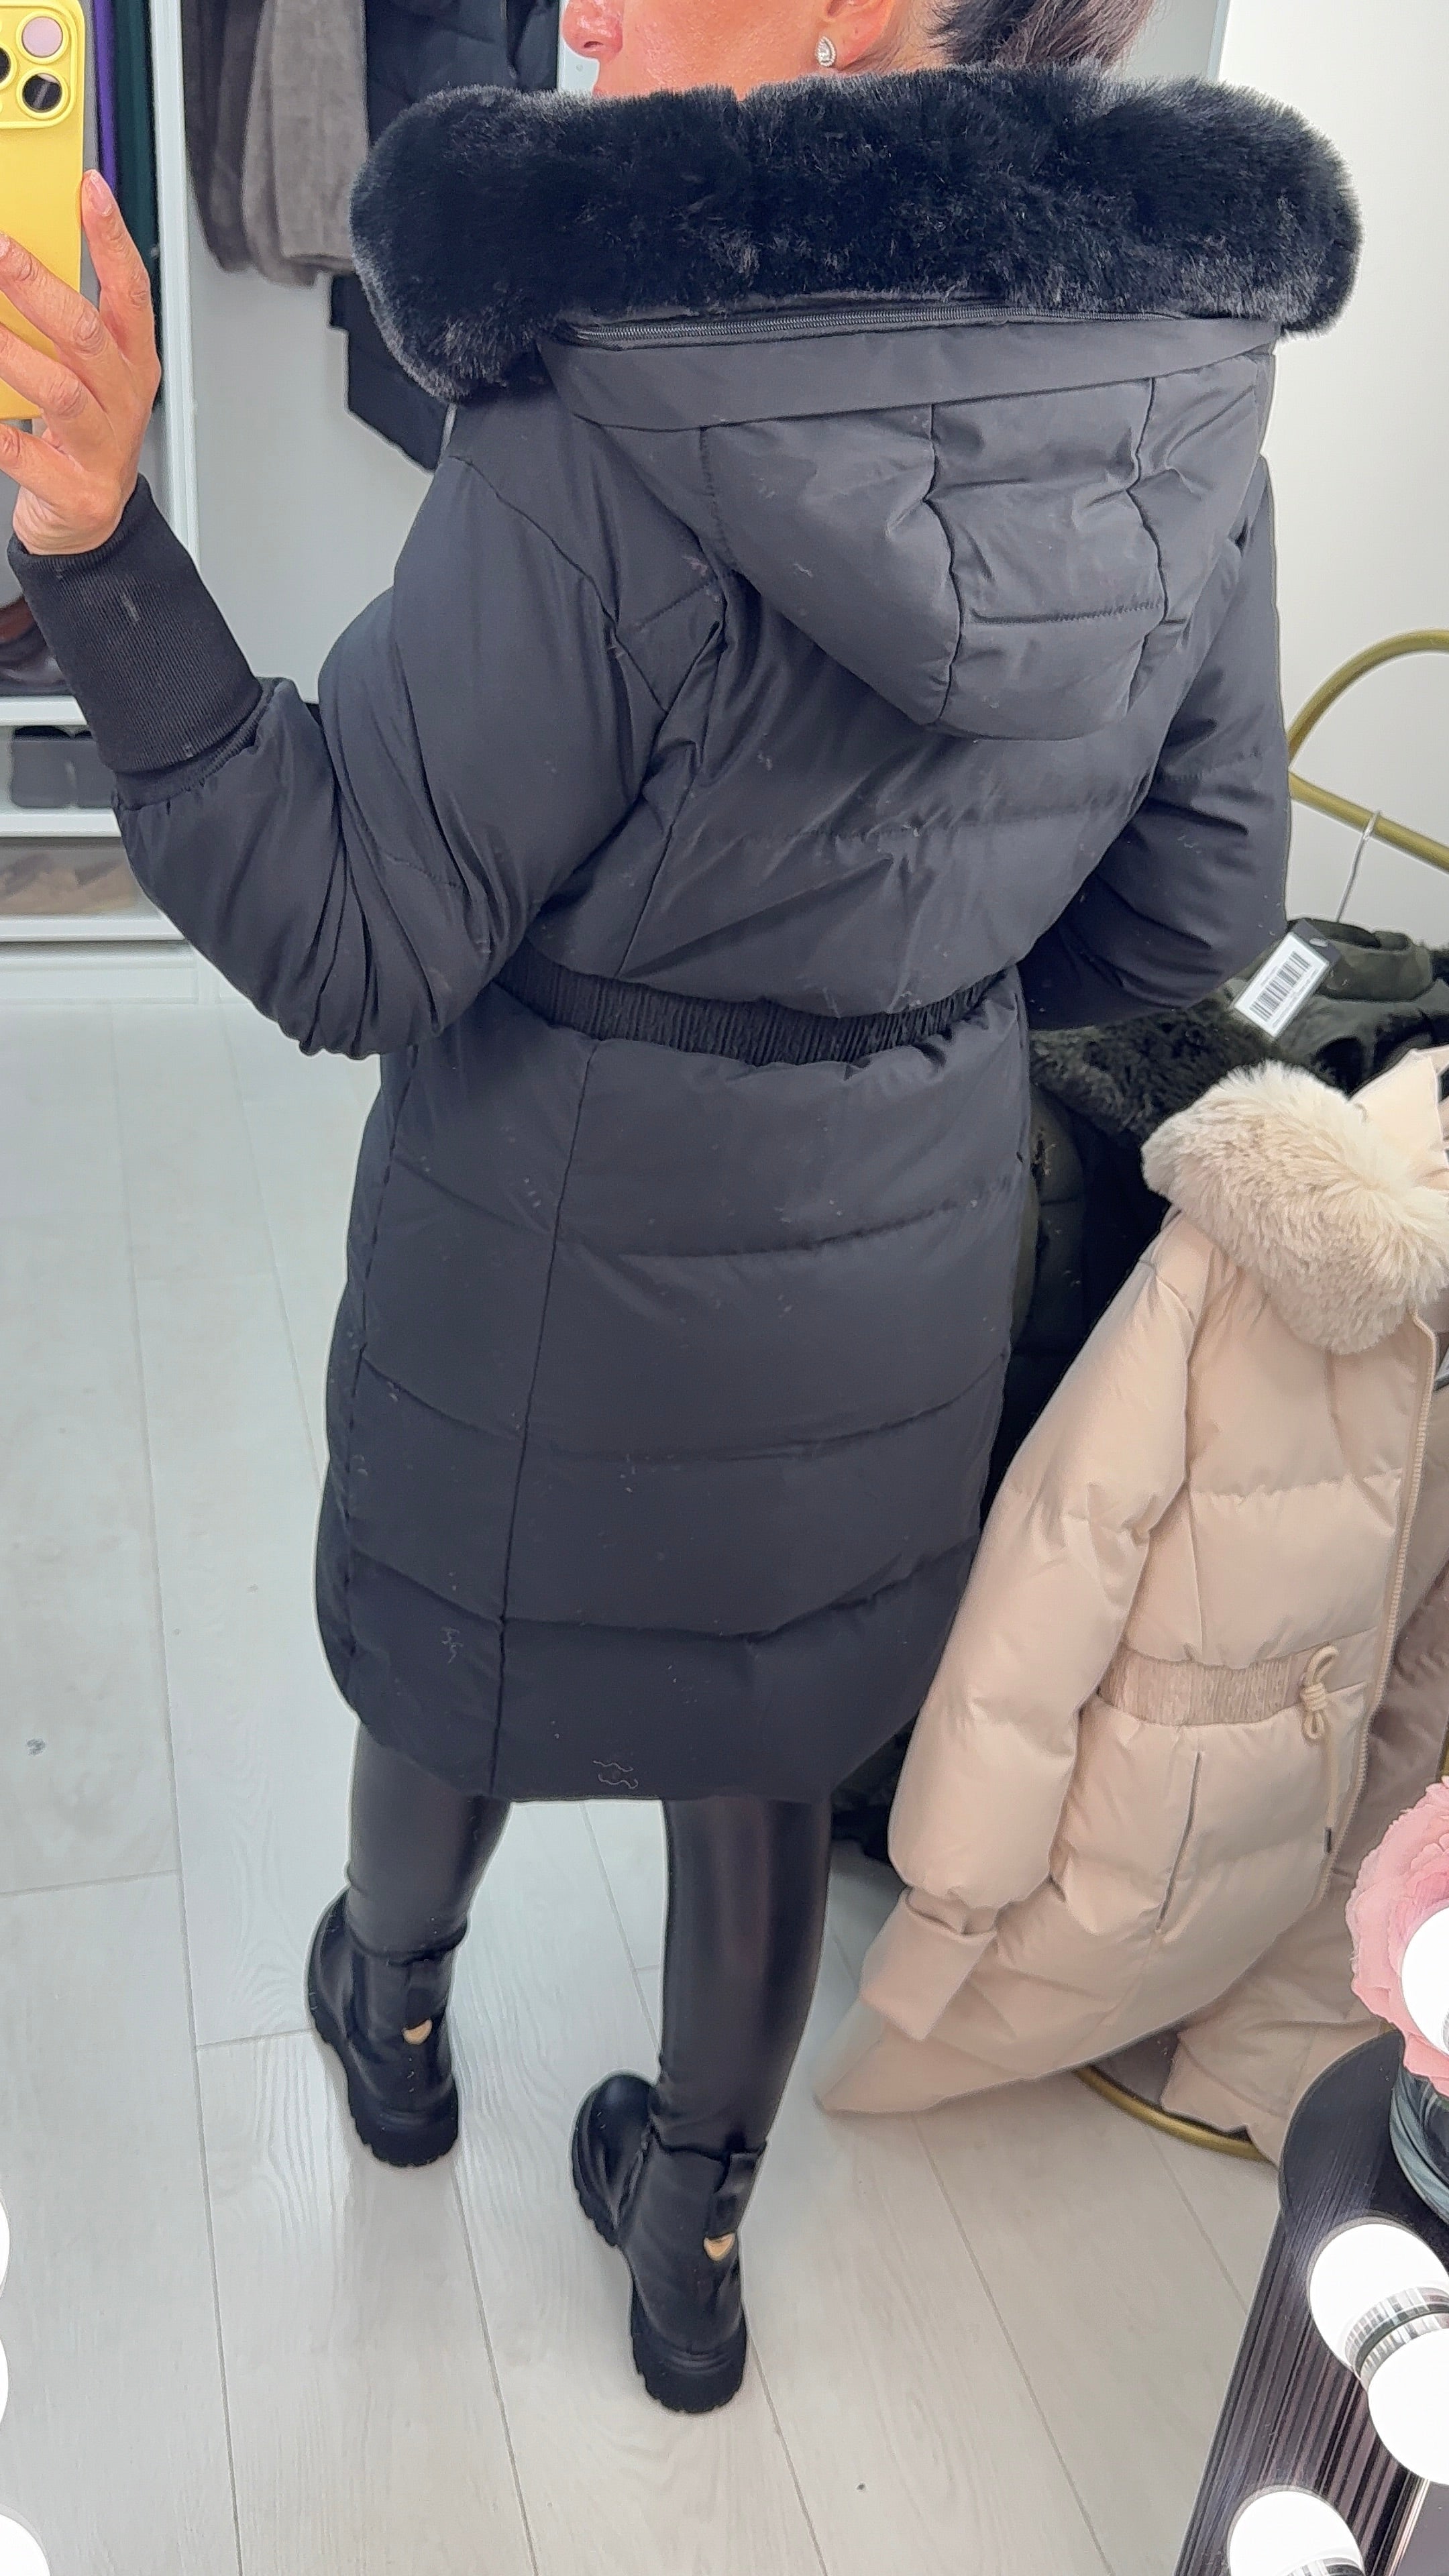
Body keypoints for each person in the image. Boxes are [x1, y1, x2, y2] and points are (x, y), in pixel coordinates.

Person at [2, 0, 1356, 2414]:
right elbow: (1191, 917)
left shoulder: (607, 397)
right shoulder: (1187, 382)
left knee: (462, 1665)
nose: (591, 9)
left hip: (544, 1239)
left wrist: (102, 550)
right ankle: (691, 2247)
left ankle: (393, 2028)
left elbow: (350, 929)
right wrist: (903, 1001)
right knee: (764, 1732)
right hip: (901, 1245)